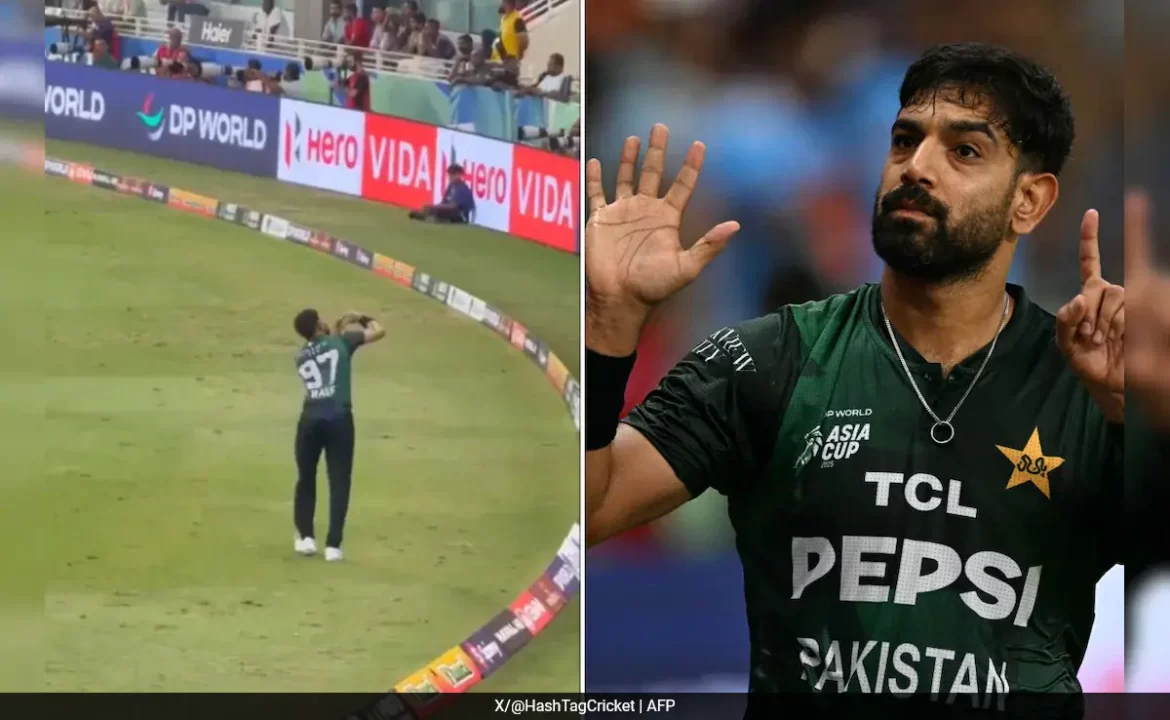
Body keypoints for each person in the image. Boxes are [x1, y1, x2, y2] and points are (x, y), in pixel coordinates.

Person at [584, 43, 1126, 710]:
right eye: (905, 140)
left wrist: (1132, 411)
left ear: (1029, 202)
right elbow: (591, 508)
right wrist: (609, 324)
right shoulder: (773, 360)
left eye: (964, 152)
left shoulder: (1087, 381)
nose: (916, 166)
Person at [291, 309, 385, 562]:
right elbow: (379, 331)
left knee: (306, 479)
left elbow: (322, 349)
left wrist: (334, 328)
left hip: (310, 419)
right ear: (320, 324)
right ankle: (333, 546)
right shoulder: (343, 341)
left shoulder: (299, 356)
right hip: (339, 418)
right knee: (340, 481)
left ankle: (306, 538)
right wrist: (362, 318)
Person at [409, 164, 475, 224]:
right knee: (430, 208)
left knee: (433, 210)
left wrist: (435, 207)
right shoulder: (451, 186)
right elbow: (443, 202)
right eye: (449, 174)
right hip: (451, 212)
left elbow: (454, 206)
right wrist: (434, 207)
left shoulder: (462, 189)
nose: (450, 177)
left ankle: (422, 216)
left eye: (452, 174)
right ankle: (422, 215)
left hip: (460, 216)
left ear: (459, 175)